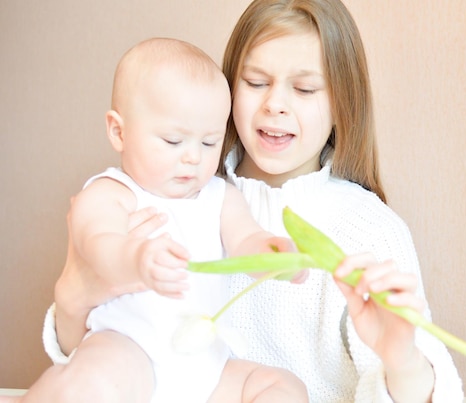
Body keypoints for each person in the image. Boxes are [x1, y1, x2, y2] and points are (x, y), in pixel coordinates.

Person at [42, 0, 465, 402]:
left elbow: (250, 242)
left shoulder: (368, 229)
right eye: (255, 82)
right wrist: (75, 294)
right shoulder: (164, 190)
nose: (275, 105)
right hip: (133, 368)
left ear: (342, 103)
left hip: (214, 378)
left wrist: (401, 358)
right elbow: (78, 357)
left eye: (304, 88)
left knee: (281, 386)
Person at [2, 37, 308, 403]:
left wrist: (275, 255)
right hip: (128, 348)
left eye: (209, 143)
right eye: (173, 141)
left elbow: (247, 240)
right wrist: (135, 259)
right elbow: (98, 244)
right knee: (88, 383)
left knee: (283, 387)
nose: (193, 157)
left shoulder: (220, 197)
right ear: (119, 131)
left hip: (205, 366)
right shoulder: (111, 192)